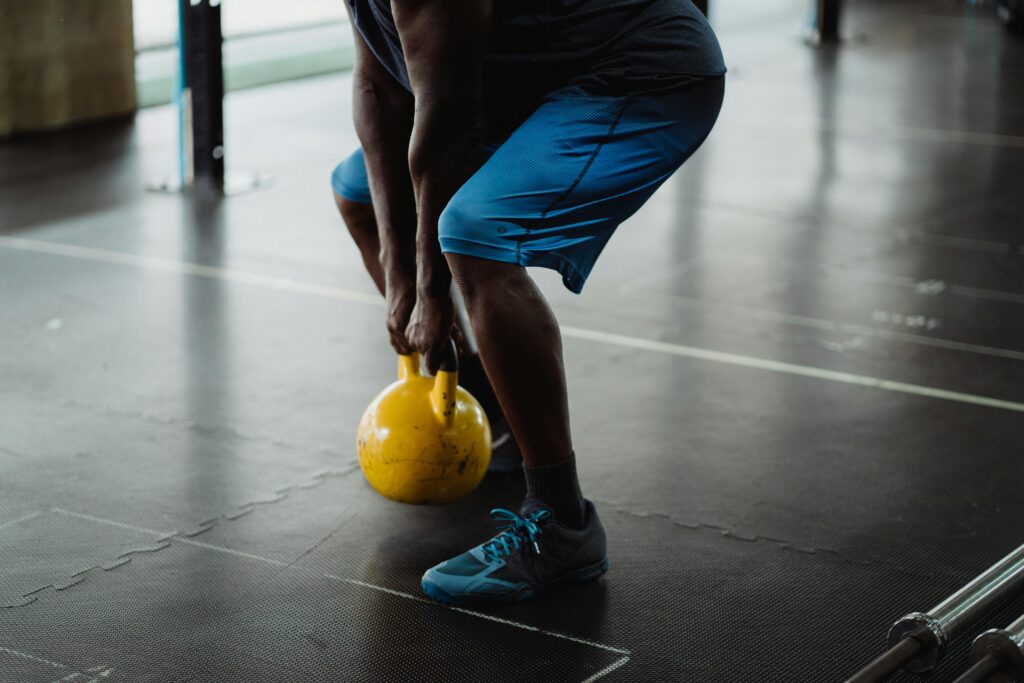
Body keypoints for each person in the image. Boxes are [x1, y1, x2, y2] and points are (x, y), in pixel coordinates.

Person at [331, 0, 725, 605]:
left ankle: (562, 524)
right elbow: (377, 87)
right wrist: (398, 268)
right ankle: (498, 425)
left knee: (475, 232)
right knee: (359, 190)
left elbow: (447, 117)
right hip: (527, 85)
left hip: (640, 74)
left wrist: (430, 288)